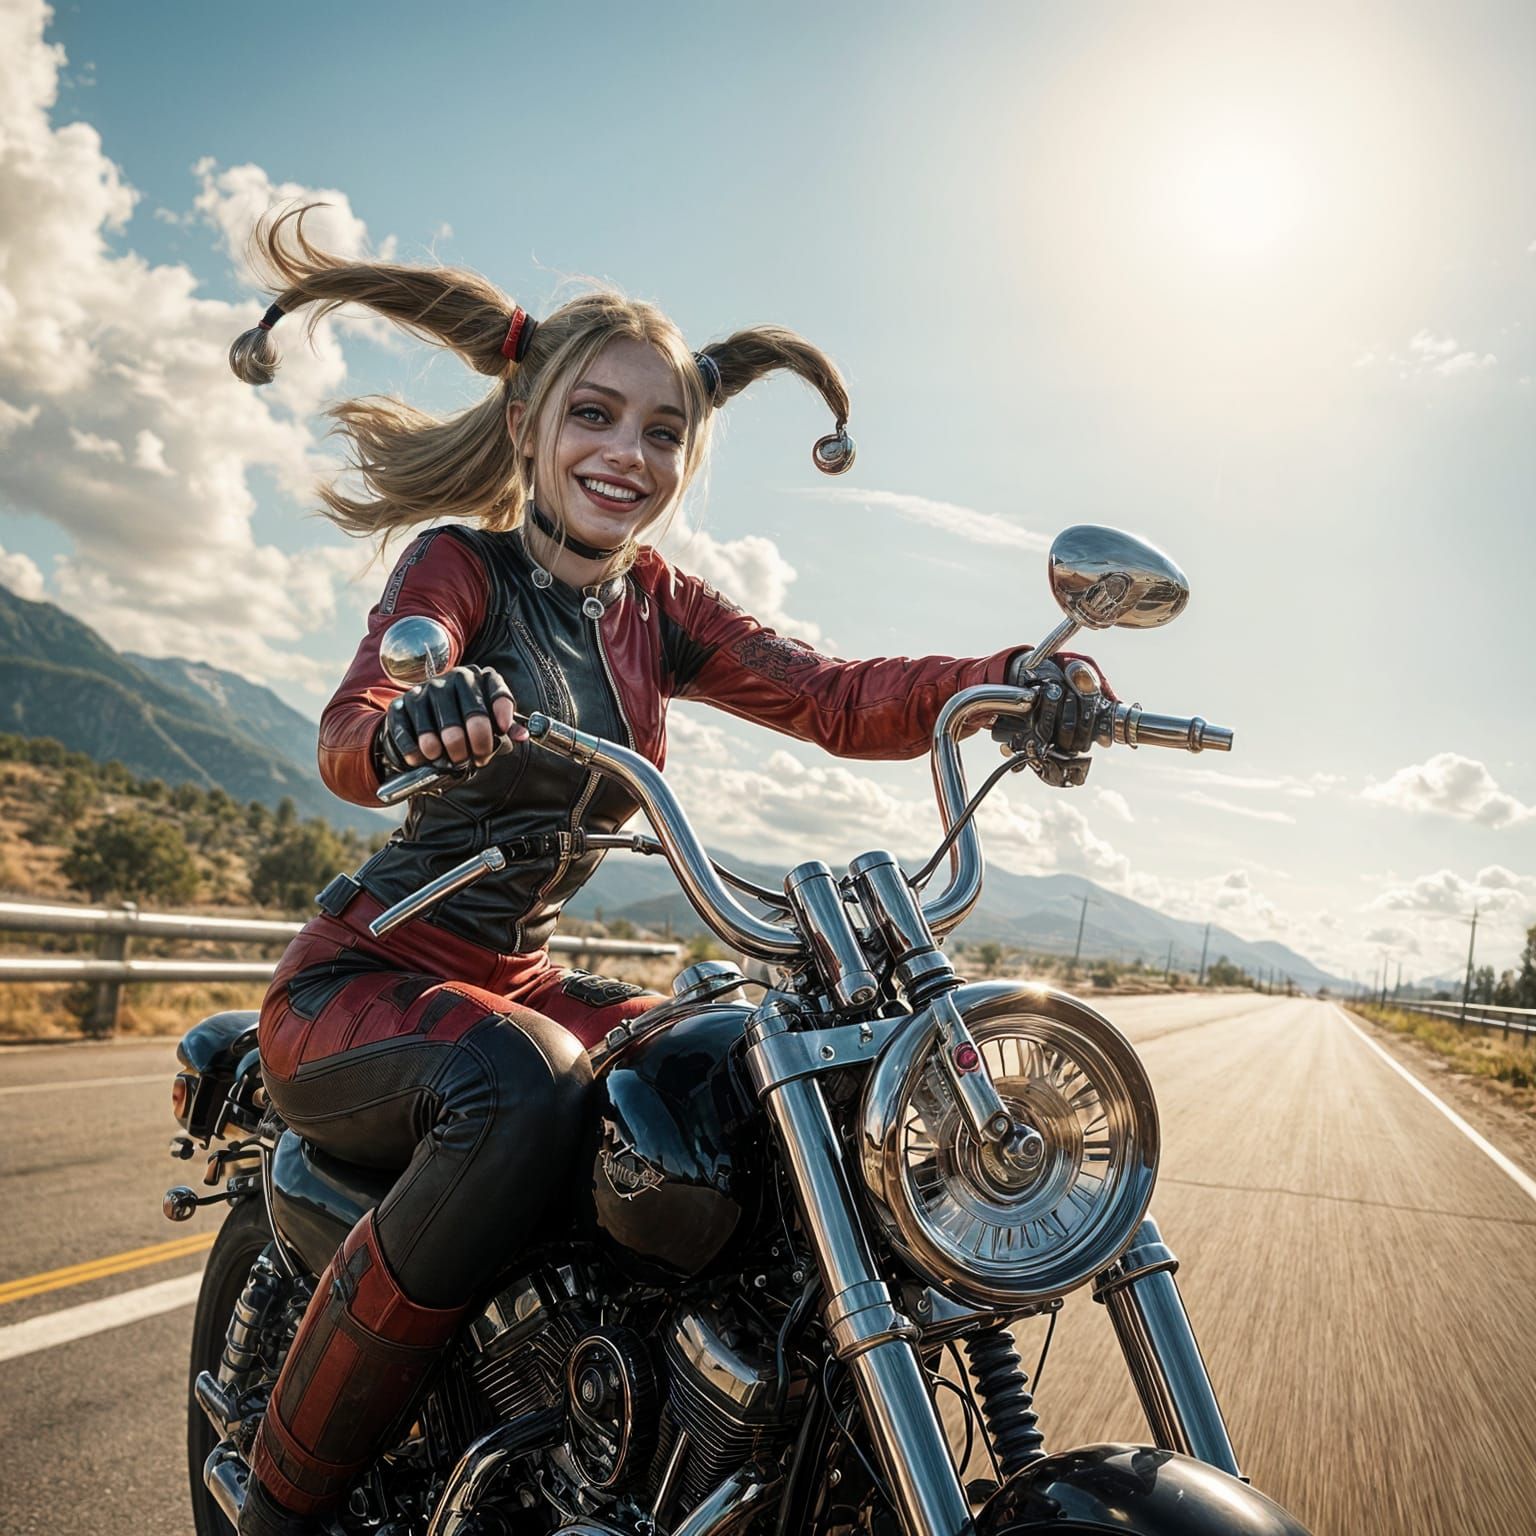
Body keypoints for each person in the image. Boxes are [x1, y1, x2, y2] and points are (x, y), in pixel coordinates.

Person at [226, 205, 1109, 1536]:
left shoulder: (660, 605)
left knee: (731, 1081)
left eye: (662, 432)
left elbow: (832, 694)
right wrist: (414, 717)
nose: (627, 453)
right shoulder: (460, 566)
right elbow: (351, 736)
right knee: (516, 1089)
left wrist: (1013, 682)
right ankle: (286, 1504)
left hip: (518, 977)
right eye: (594, 415)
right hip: (366, 978)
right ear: (529, 427)